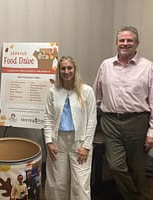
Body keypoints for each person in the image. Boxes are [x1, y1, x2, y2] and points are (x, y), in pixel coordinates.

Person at [93, 26, 153, 200]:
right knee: (116, 165)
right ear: (117, 43)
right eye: (121, 40)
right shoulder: (106, 65)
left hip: (137, 122)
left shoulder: (148, 67)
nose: (125, 44)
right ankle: (135, 197)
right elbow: (96, 96)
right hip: (110, 122)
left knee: (137, 167)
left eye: (129, 40)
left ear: (137, 44)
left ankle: (132, 195)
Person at [43, 56, 97, 200]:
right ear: (59, 71)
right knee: (57, 183)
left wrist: (86, 146)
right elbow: (48, 117)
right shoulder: (53, 91)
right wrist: (48, 141)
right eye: (63, 68)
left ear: (75, 69)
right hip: (58, 141)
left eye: (69, 68)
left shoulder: (87, 91)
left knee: (80, 184)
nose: (66, 71)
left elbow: (92, 120)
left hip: (79, 142)